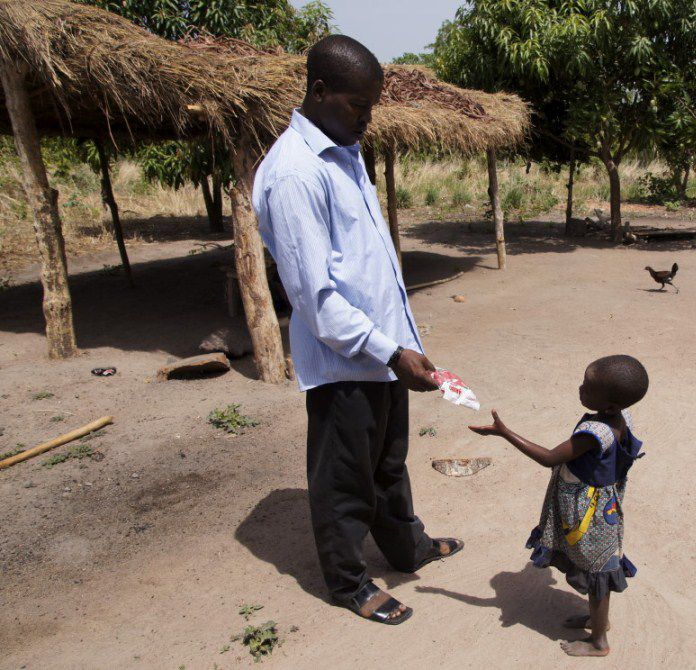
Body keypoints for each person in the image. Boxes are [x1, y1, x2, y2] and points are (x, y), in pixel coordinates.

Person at [252, 34, 462, 626]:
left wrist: (403, 346)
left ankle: (408, 547)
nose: (368, 120)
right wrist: (388, 351)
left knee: (389, 464)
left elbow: (367, 264)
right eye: (358, 106)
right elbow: (317, 301)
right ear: (319, 92)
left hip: (386, 351)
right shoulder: (293, 174)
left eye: (372, 108)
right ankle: (348, 582)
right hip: (347, 360)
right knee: (345, 480)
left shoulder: (345, 151)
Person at [469, 355, 649, 657]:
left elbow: (549, 458)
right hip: (602, 505)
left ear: (610, 406)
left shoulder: (595, 433)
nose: (581, 389)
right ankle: (597, 621)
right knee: (596, 569)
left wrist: (504, 433)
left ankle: (598, 642)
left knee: (597, 573)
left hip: (587, 513)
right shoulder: (621, 418)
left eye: (588, 388)